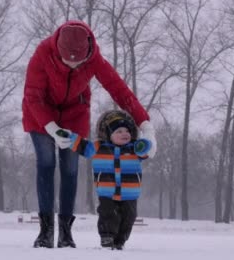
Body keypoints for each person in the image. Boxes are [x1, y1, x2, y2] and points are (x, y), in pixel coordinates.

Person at [22, 20, 157, 248]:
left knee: (70, 169)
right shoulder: (42, 54)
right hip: (41, 115)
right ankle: (46, 230)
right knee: (45, 163)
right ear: (58, 51)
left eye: (79, 63)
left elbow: (119, 90)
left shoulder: (93, 59)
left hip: (75, 115)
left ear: (87, 53)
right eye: (68, 63)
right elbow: (33, 96)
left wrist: (146, 126)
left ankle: (65, 230)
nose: (74, 67)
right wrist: (52, 128)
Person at [69, 110, 152, 250]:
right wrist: (70, 138)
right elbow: (83, 147)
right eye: (118, 131)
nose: (124, 134)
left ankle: (120, 240)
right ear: (109, 134)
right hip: (106, 191)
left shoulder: (134, 148)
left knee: (129, 217)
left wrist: (145, 144)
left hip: (129, 193)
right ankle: (107, 237)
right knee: (107, 214)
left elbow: (146, 151)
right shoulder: (98, 147)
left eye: (127, 130)